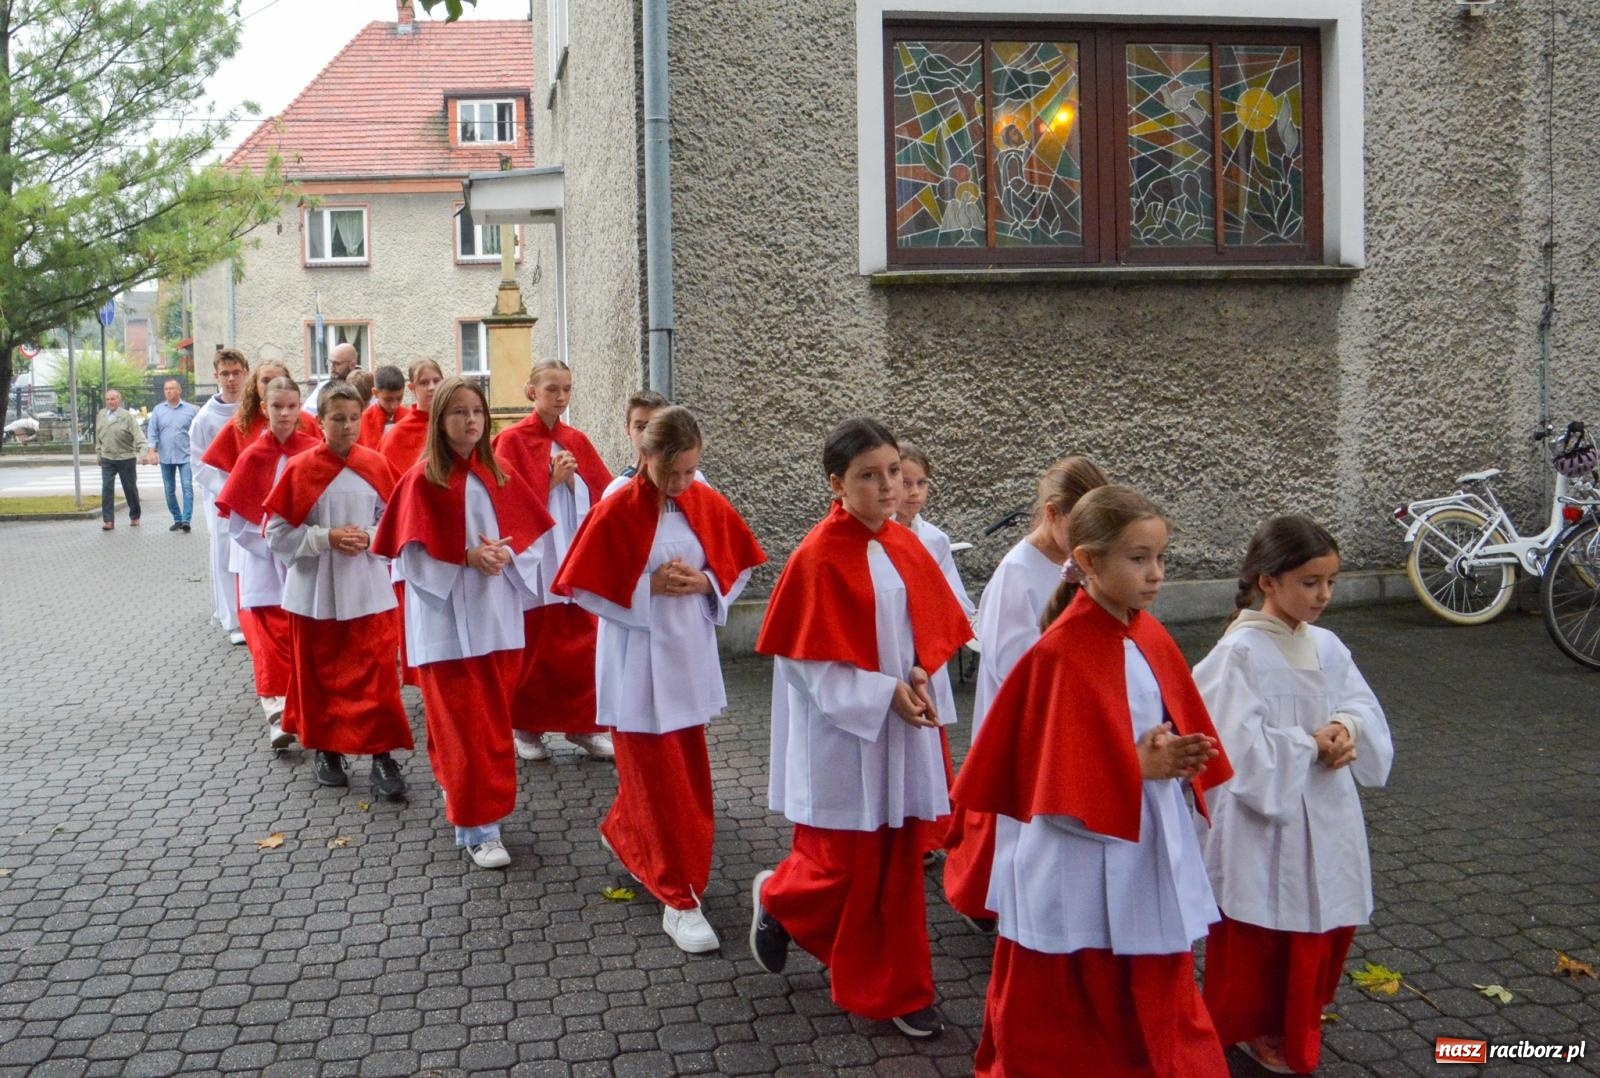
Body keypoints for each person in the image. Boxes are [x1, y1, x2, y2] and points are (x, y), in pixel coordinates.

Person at [951, 485, 1232, 1077]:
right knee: (1071, 1015)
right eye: (1138, 559)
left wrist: (1173, 756)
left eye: (1160, 558)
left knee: (1154, 1001)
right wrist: (1136, 766)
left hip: (1145, 842)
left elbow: (1152, 721)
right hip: (1075, 860)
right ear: (1086, 561)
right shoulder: (1060, 653)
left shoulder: (1147, 633)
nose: (1155, 574)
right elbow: (1046, 778)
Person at [748, 418, 971, 1039]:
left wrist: (923, 673)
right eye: (868, 476)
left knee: (897, 861)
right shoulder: (817, 554)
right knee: (844, 864)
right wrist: (880, 694)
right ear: (837, 484)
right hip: (844, 733)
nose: (888, 487)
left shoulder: (906, 545)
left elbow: (928, 628)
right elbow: (805, 661)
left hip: (901, 722)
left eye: (894, 472)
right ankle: (780, 900)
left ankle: (898, 986)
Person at [552, 406, 765, 953]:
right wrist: (648, 589)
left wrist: (706, 582)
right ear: (644, 457)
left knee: (686, 771)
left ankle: (636, 839)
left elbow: (736, 565)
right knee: (653, 773)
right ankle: (677, 894)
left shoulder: (701, 499)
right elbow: (585, 586)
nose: (681, 483)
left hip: (687, 654)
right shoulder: (618, 506)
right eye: (671, 472)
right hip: (636, 657)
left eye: (690, 471)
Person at [1193, 516, 1394, 1076]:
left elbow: (1361, 705)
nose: (1324, 594)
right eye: (1309, 582)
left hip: (1325, 809)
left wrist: (1346, 730)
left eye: (1330, 581)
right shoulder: (1239, 654)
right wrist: (1307, 743)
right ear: (1267, 581)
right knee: (1261, 935)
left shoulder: (1327, 644)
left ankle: (1295, 1022)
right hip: (1265, 821)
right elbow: (1231, 748)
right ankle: (1251, 1027)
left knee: (1320, 926)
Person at [373, 377, 556, 869]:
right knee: (463, 730)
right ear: (439, 420)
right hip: (444, 626)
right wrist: (464, 557)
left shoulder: (502, 474)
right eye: (458, 412)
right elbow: (406, 559)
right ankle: (479, 826)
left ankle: (474, 814)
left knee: (491, 728)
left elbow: (533, 541)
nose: (470, 420)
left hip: (496, 620)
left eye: (477, 410)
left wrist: (505, 554)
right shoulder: (419, 480)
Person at [943, 455, 1109, 930]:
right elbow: (1014, 664)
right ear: (1052, 514)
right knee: (1015, 830)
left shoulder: (1074, 564)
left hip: (1067, 715)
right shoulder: (1018, 572)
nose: (1087, 545)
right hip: (1028, 722)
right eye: (1079, 528)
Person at [264, 384, 411, 799]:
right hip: (314, 593)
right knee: (321, 678)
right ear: (321, 421)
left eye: (353, 419)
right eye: (337, 419)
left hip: (367, 590)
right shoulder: (299, 467)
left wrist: (368, 535)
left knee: (378, 676)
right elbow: (275, 533)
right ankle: (327, 750)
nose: (347, 427)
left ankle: (382, 756)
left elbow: (397, 521)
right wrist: (325, 537)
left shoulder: (377, 465)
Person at [491, 359, 616, 761]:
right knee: (536, 649)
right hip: (535, 561)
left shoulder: (576, 439)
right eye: (551, 389)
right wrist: (550, 482)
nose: (560, 397)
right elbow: (502, 500)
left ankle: (583, 726)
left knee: (581, 646)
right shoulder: (511, 441)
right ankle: (527, 728)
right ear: (532, 391)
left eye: (566, 389)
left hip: (571, 553)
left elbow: (604, 493)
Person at [215, 378, 322, 748]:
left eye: (292, 406)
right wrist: (271, 546)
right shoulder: (253, 455)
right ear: (265, 409)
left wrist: (301, 544)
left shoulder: (314, 450)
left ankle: (303, 711)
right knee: (270, 640)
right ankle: (276, 712)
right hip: (263, 560)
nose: (285, 414)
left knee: (301, 637)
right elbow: (238, 521)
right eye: (277, 407)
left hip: (304, 557)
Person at [192, 349, 251, 643]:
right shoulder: (204, 419)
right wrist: (227, 489)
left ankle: (253, 611)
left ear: (245, 373)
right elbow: (199, 464)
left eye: (236, 372)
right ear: (216, 377)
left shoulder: (254, 411)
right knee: (225, 553)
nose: (231, 379)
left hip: (254, 495)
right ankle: (231, 619)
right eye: (225, 374)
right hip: (223, 498)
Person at [893, 441, 974, 618]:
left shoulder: (935, 539)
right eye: (906, 483)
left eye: (921, 483)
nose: (915, 492)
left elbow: (957, 599)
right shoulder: (874, 536)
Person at [143, 379, 198, 532]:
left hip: (185, 455)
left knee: (187, 487)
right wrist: (152, 451)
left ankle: (186, 519)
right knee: (169, 489)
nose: (168, 391)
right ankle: (177, 518)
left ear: (179, 391)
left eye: (172, 388)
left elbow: (198, 432)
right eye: (166, 389)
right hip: (166, 457)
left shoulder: (191, 410)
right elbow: (152, 432)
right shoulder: (159, 410)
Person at [378, 358, 443, 474]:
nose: (432, 387)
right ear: (412, 388)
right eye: (424, 383)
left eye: (436, 381)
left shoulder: (451, 424)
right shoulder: (397, 434)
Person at [95, 389, 144, 531]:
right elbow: (98, 436)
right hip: (107, 457)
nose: (110, 402)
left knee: (129, 488)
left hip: (125, 457)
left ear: (119, 400)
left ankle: (135, 516)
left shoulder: (127, 416)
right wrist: (99, 454)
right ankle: (108, 520)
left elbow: (138, 435)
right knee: (107, 488)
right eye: (108, 399)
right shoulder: (101, 415)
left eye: (113, 399)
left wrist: (143, 452)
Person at [303, 340, 358, 415]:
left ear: (352, 365)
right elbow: (307, 413)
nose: (331, 368)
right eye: (330, 362)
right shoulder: (323, 387)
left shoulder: (362, 387)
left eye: (337, 364)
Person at [360, 364, 408, 449]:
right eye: (388, 400)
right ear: (375, 393)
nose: (394, 406)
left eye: (399, 398)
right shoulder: (364, 420)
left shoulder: (408, 416)